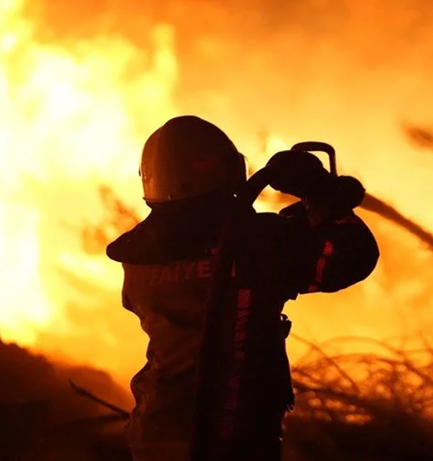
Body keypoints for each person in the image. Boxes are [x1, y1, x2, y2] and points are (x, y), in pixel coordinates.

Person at [106, 115, 380, 461]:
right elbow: (350, 257)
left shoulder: (140, 255)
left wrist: (306, 213)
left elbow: (230, 250)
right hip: (231, 438)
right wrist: (320, 193)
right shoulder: (255, 242)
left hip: (156, 434)